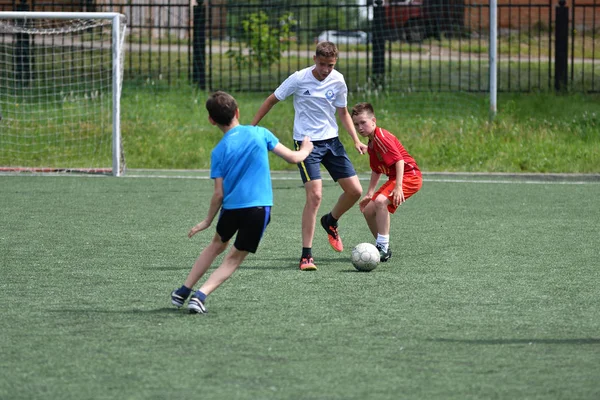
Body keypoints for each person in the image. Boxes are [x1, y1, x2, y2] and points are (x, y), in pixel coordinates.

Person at [171, 91, 313, 314]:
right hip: (257, 209)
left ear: (211, 120)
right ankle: (200, 295)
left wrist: (207, 220)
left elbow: (218, 194)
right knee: (234, 258)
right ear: (237, 112)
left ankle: (183, 290)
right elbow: (294, 158)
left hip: (230, 209)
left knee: (217, 244)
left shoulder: (218, 151)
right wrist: (306, 148)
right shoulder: (259, 133)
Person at [251, 41, 368, 271]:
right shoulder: (299, 78)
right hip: (306, 144)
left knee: (355, 191)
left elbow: (342, 111)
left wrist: (355, 139)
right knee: (315, 195)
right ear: (315, 59)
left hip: (332, 141)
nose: (326, 69)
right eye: (322, 64)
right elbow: (271, 100)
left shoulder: (338, 80)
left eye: (331, 65)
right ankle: (306, 255)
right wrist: (251, 127)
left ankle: (330, 220)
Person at [350, 102, 422, 262]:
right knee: (368, 209)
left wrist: (398, 188)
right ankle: (381, 246)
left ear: (373, 121)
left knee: (381, 201)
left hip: (410, 176)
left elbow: (399, 161)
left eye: (363, 122)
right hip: (397, 178)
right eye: (356, 124)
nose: (360, 127)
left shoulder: (381, 137)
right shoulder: (371, 142)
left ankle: (383, 247)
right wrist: (369, 193)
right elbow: (376, 169)